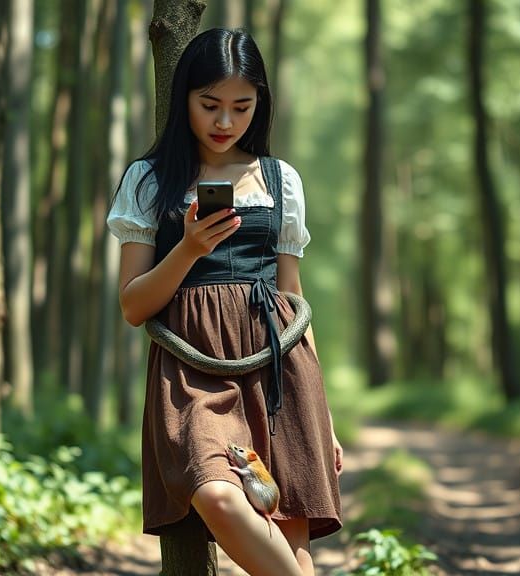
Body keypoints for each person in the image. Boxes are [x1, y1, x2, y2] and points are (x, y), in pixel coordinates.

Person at [106, 27, 342, 576]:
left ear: (260, 105)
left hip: (280, 371)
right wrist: (188, 249)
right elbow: (133, 306)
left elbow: (294, 299)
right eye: (209, 104)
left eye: (242, 106)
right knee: (215, 493)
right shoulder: (148, 181)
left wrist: (324, 415)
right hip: (192, 373)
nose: (224, 122)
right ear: (183, 97)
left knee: (293, 550)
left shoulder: (282, 181)